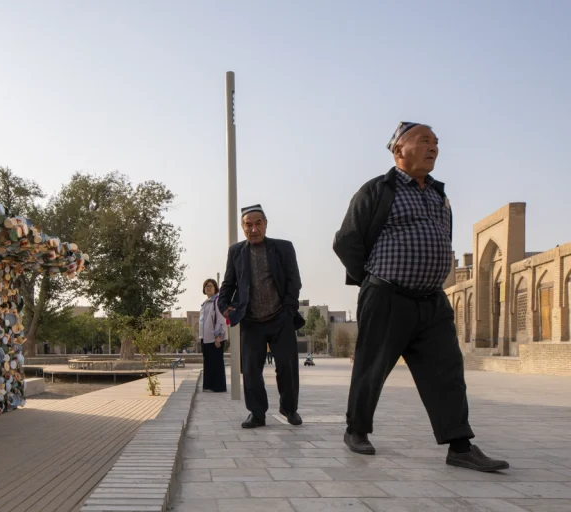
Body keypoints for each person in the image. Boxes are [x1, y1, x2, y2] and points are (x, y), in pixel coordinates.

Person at [332, 122, 509, 472]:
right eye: (423, 140)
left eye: (436, 142)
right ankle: (357, 430)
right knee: (372, 368)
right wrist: (373, 278)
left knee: (448, 372)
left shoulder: (438, 195)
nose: (433, 147)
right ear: (399, 150)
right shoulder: (377, 190)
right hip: (387, 297)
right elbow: (346, 241)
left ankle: (460, 446)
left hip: (432, 301)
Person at [218, 204, 305, 428]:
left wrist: (288, 309)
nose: (254, 229)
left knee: (286, 367)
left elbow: (294, 281)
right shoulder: (236, 251)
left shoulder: (284, 248)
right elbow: (228, 283)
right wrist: (223, 304)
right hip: (251, 320)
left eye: (258, 223)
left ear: (265, 225)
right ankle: (257, 414)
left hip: (280, 318)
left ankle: (289, 409)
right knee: (250, 370)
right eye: (249, 225)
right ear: (243, 227)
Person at [199, 278, 228, 392]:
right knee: (208, 363)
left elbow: (220, 319)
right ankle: (209, 385)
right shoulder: (206, 303)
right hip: (206, 338)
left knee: (216, 363)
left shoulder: (217, 301)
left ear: (215, 288)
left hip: (215, 338)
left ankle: (219, 387)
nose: (208, 288)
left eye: (210, 286)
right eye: (206, 286)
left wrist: (218, 337)